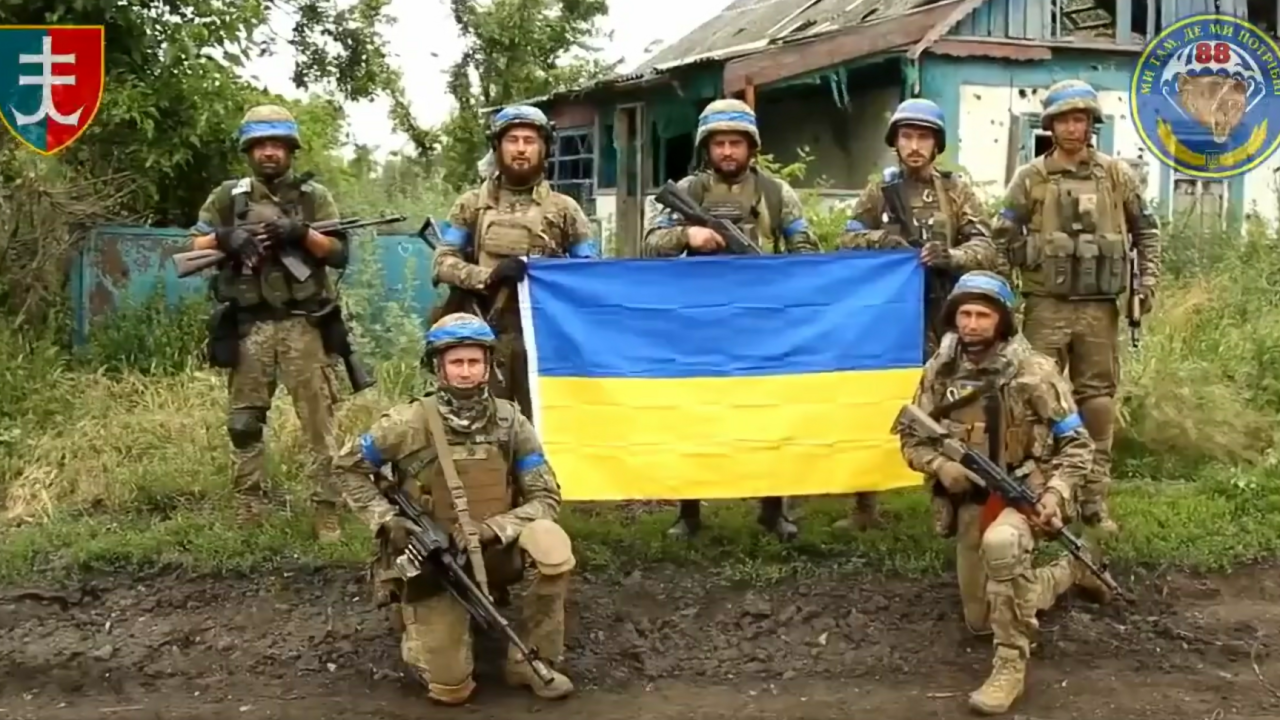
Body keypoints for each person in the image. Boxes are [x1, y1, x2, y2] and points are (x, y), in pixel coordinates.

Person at [896, 271, 1115, 715]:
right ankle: (1070, 571)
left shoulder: (1034, 372)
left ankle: (1010, 666)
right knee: (983, 618)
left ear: (1002, 321)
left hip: (1029, 487)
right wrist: (941, 465)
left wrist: (1054, 495)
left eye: (983, 315)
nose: (972, 324)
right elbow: (910, 437)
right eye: (965, 314)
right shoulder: (940, 370)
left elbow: (1077, 445)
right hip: (973, 501)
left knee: (1002, 549)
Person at [333, 312, 576, 705]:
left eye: (474, 362)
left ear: (487, 366)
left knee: (551, 544)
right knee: (451, 690)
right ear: (438, 367)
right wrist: (387, 522)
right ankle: (416, 628)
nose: (466, 372)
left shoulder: (510, 421)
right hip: (435, 561)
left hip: (496, 548)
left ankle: (531, 658)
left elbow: (546, 499)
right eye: (456, 362)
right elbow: (347, 468)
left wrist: (494, 528)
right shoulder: (407, 422)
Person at [641, 98, 819, 542]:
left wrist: (780, 279)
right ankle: (689, 511)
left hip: (761, 321)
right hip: (698, 322)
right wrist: (689, 235)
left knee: (770, 417)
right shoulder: (688, 191)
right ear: (707, 148)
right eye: (719, 143)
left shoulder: (777, 194)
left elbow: (807, 252)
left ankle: (774, 508)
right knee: (695, 417)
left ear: (751, 147)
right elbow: (648, 244)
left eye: (735, 143)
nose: (727, 151)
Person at [994, 80, 1162, 536]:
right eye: (1065, 119)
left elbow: (1146, 231)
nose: (1074, 127)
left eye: (1081, 118)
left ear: (1092, 124)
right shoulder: (1030, 178)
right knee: (1036, 400)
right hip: (1046, 305)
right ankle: (1039, 495)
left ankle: (1092, 500)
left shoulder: (1115, 176)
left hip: (1098, 309)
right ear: (1050, 124)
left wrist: (1145, 284)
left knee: (1098, 401)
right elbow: (1001, 235)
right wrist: (1025, 263)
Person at [834, 98, 1000, 531]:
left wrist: (951, 256)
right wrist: (885, 244)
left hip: (944, 314)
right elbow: (846, 241)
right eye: (906, 136)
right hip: (889, 316)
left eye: (922, 136)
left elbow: (986, 248)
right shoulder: (880, 191)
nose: (914, 145)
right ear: (895, 142)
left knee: (950, 405)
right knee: (877, 399)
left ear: (936, 144)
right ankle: (864, 505)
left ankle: (947, 494)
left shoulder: (955, 192)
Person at [188, 104, 349, 542]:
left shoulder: (314, 197)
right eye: (261, 145)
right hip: (249, 326)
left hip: (305, 325)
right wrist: (226, 237)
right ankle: (249, 506)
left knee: (319, 425)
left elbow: (338, 253)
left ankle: (326, 510)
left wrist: (300, 234)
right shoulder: (228, 198)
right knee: (244, 424)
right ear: (248, 150)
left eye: (277, 145)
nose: (269, 153)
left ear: (291, 150)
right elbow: (192, 243)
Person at [432, 104, 600, 420]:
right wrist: (488, 276)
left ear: (544, 148)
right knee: (480, 427)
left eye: (529, 140)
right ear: (498, 147)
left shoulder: (565, 209)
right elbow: (442, 262)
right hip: (482, 335)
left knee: (542, 427)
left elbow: (588, 274)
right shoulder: (472, 205)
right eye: (512, 140)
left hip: (543, 341)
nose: (521, 149)